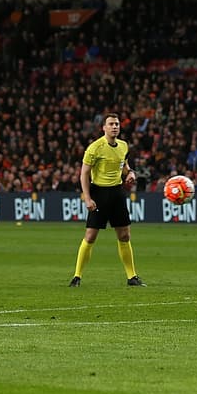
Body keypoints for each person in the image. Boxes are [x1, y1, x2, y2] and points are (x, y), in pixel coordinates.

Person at [71, 112, 144, 287]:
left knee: (125, 235)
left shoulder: (124, 146)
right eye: (111, 124)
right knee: (90, 236)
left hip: (117, 193)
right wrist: (87, 198)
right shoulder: (95, 148)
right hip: (99, 193)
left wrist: (131, 173)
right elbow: (84, 174)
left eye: (117, 124)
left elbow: (124, 165)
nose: (114, 127)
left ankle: (131, 277)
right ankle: (77, 276)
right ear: (103, 128)